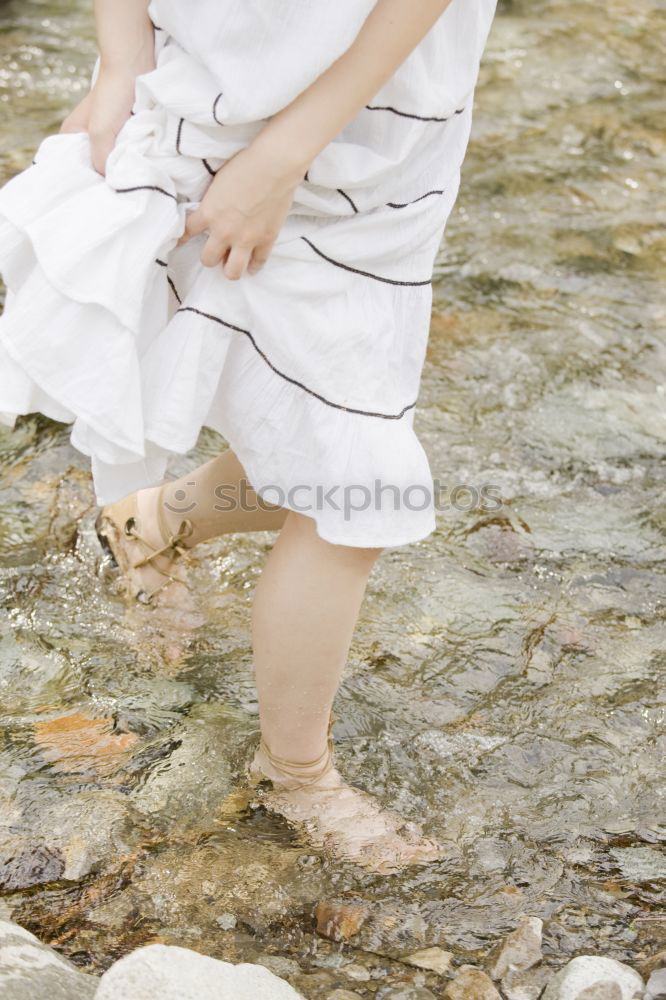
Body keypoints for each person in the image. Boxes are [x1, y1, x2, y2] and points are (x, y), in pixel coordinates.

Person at [0, 0, 498, 871]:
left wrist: (283, 153)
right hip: (214, 89)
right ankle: (296, 771)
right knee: (356, 490)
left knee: (331, 455)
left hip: (373, 128)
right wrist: (120, 62)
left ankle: (153, 524)